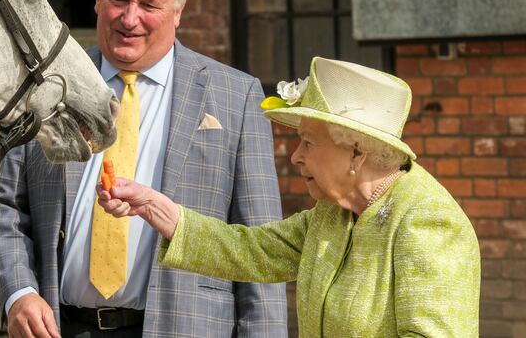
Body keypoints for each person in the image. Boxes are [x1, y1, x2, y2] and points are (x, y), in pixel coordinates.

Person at [0, 0, 287, 337]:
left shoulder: (235, 97)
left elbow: (259, 247)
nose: (130, 18)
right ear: (96, 0)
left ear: (178, 10)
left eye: (149, 4)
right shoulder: (48, 87)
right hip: (62, 326)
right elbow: (2, 205)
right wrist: (18, 291)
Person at [98, 56, 481, 337]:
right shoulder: (332, 214)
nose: (296, 156)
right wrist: (155, 207)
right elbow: (253, 250)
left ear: (356, 153)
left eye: (308, 142)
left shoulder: (427, 222)